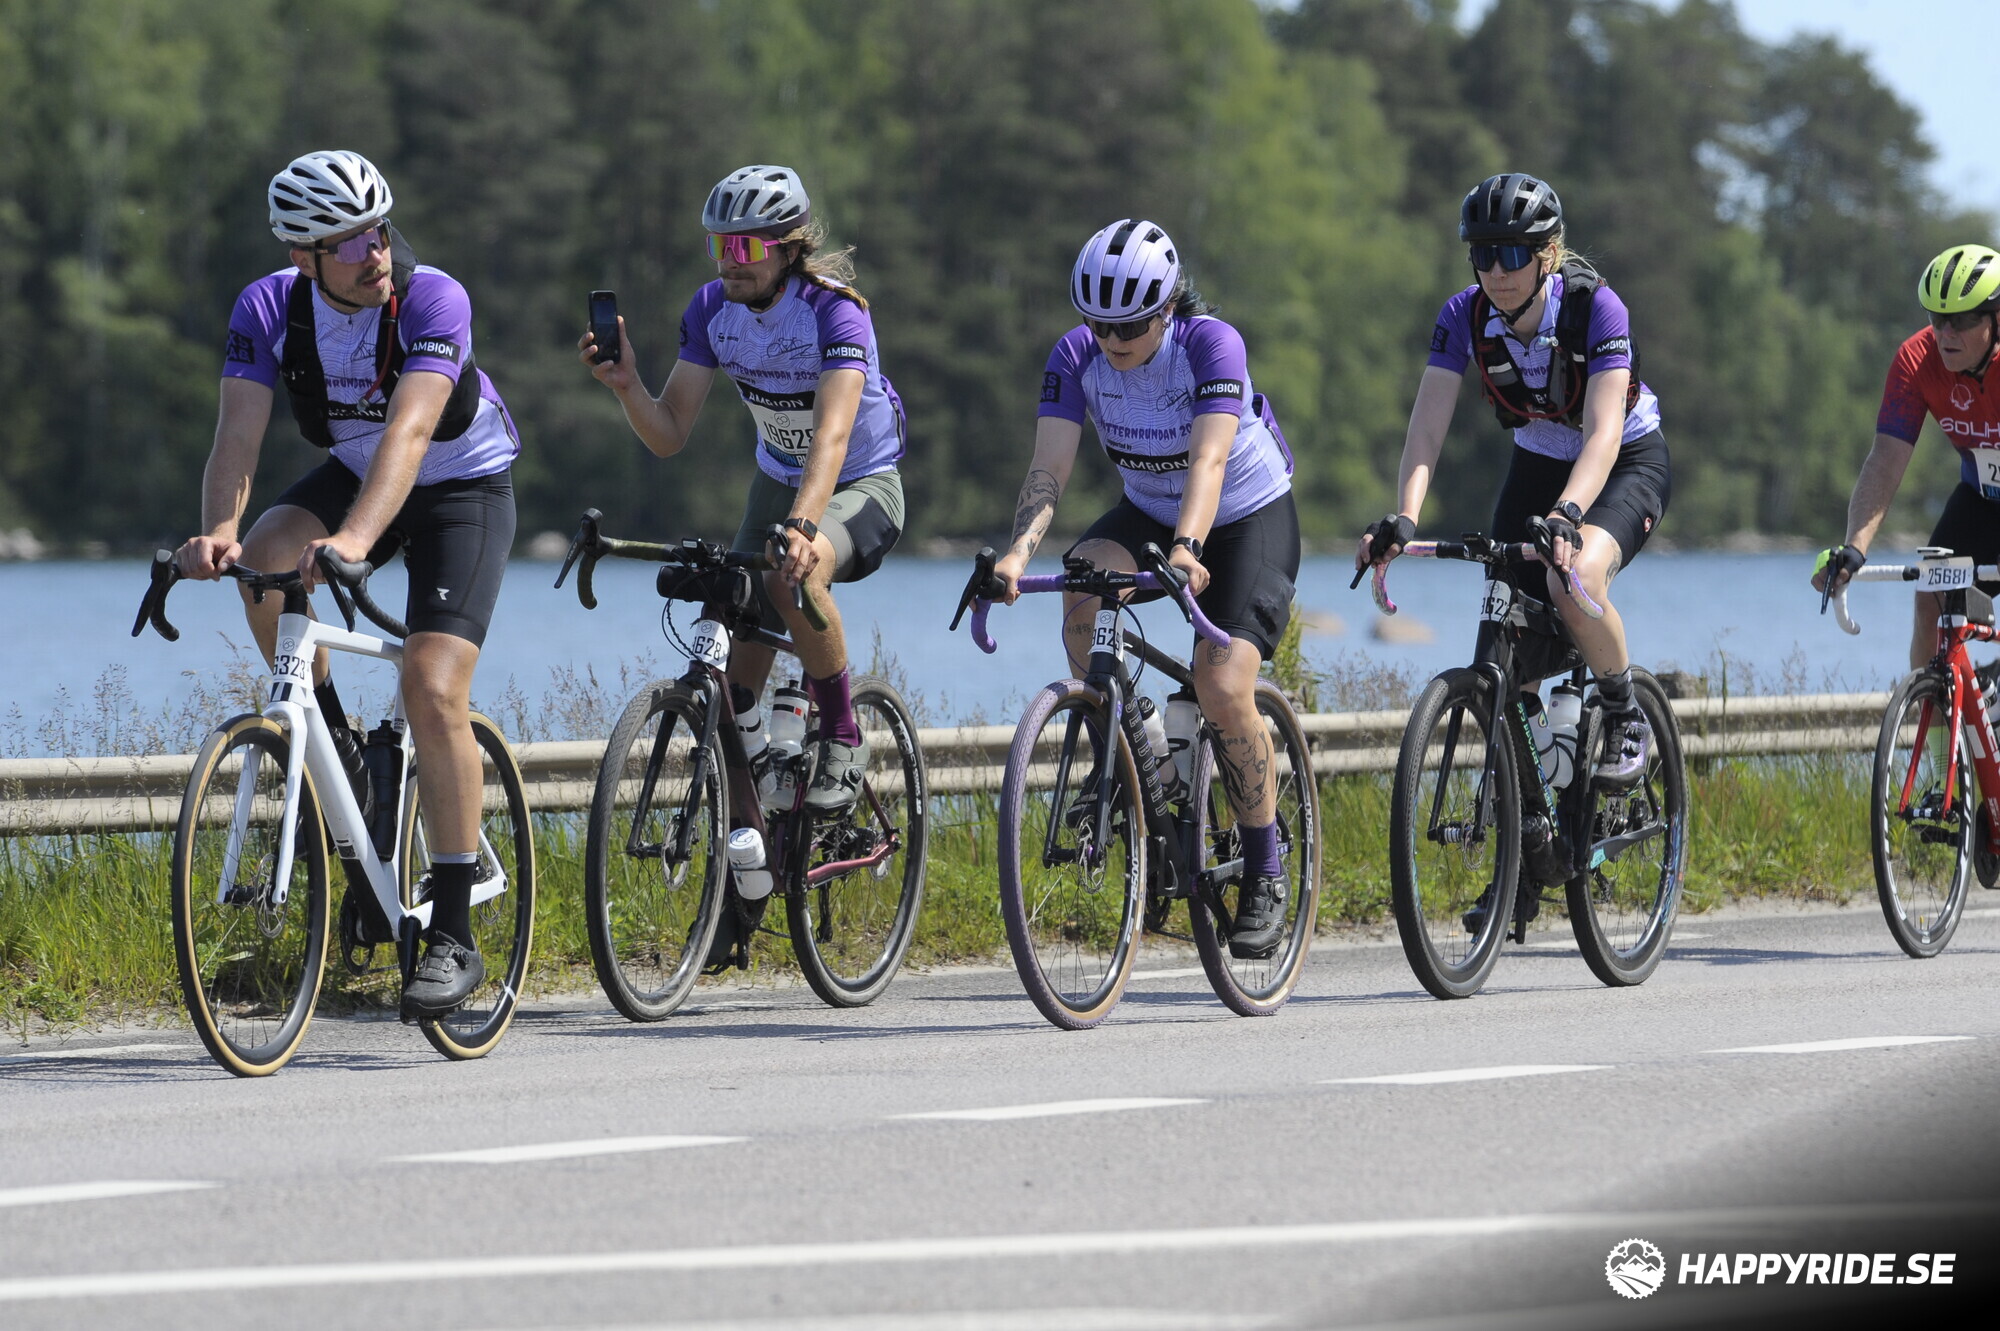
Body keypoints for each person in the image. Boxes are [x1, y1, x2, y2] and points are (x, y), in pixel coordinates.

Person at [176, 149, 520, 1020]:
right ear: (303, 256)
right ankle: (342, 759)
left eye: (380, 231)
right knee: (264, 559)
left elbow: (410, 432)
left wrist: (356, 540)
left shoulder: (434, 299)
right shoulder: (267, 307)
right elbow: (237, 437)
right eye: (351, 243)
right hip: (357, 473)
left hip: (460, 486)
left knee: (431, 682)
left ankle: (452, 934)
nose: (376, 253)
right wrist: (217, 532)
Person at [990, 218, 1300, 958]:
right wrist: (1016, 554)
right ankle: (1143, 757)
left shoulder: (1211, 345)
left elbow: (1209, 461)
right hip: (1150, 511)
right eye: (1097, 323)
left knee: (1220, 683)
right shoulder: (1076, 356)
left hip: (1245, 514)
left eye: (1128, 324)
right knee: (1080, 591)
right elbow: (1048, 469)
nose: (1111, 338)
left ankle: (1265, 867)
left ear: (1166, 309)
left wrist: (1189, 548)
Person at [580, 164, 904, 818]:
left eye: (745, 246)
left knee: (791, 579)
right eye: (718, 244)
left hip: (861, 482)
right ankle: (753, 826)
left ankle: (843, 734)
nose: (729, 260)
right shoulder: (711, 310)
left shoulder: (834, 312)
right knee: (728, 641)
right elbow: (669, 431)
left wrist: (804, 528)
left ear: (787, 248)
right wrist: (628, 386)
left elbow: (833, 437)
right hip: (777, 480)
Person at [1355, 172, 1671, 787]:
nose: (1496, 271)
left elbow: (1603, 434)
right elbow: (1427, 429)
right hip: (1536, 464)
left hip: (1625, 461)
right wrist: (1405, 516)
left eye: (1511, 254)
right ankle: (1534, 815)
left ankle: (1623, 712)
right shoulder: (1463, 315)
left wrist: (1567, 514)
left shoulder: (1597, 309)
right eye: (1483, 254)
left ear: (1547, 254)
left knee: (1571, 579)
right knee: (1504, 640)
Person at [1813, 244, 2000, 667]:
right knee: (1930, 603)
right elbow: (1885, 460)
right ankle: (1935, 710)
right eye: (1937, 318)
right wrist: (1854, 547)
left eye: (1962, 320)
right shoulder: (1916, 361)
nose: (1946, 334)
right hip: (1981, 500)